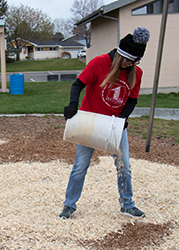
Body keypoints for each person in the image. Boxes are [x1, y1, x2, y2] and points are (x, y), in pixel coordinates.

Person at [59, 27, 150, 219]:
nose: (131, 65)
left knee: (124, 165)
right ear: (120, 56)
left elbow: (132, 99)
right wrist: (73, 105)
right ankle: (69, 205)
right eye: (129, 61)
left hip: (114, 125)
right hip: (90, 122)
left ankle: (127, 204)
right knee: (80, 166)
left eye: (135, 62)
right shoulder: (100, 63)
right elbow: (78, 84)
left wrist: (123, 117)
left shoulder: (136, 72)